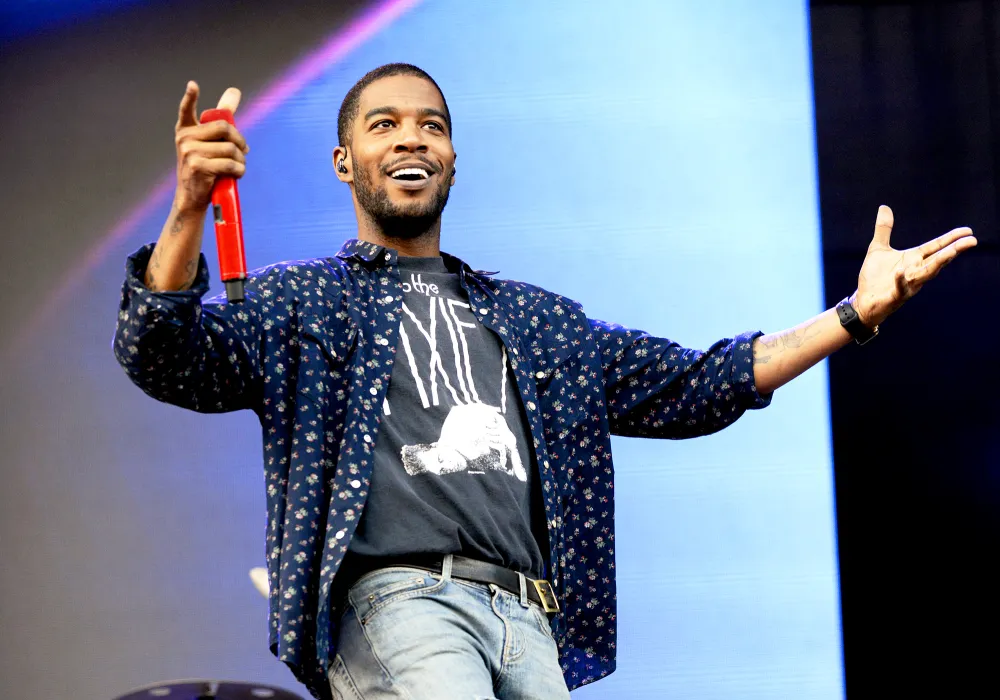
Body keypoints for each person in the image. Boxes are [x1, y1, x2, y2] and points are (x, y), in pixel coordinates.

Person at [113, 63, 976, 700]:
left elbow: (701, 384)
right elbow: (163, 351)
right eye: (383, 125)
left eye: (430, 125)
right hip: (401, 599)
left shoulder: (537, 320)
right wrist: (191, 203)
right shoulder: (307, 301)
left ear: (451, 157)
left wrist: (854, 315)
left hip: (533, 620)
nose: (411, 136)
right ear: (346, 163)